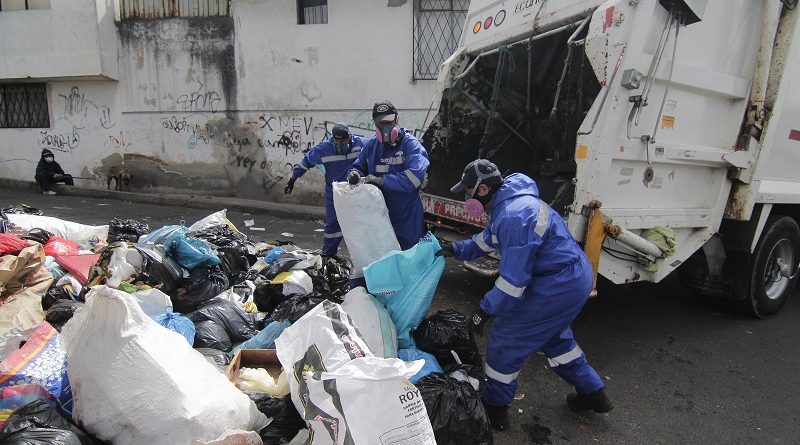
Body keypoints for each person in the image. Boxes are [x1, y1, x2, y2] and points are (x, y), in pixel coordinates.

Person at [438, 159, 613, 431]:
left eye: (468, 191)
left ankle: (495, 410)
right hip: (570, 277)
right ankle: (593, 393)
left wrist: (483, 312)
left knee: (506, 338)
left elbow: (513, 283)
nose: (466, 197)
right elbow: (488, 241)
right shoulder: (511, 203)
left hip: (558, 283)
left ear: (483, 189)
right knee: (555, 338)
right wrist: (455, 250)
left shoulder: (513, 215)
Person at [346, 100, 429, 250]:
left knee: (407, 256)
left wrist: (382, 181)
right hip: (379, 214)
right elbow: (358, 167)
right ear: (375, 124)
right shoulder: (371, 146)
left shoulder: (410, 145)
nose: (385, 127)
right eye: (380, 123)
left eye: (389, 122)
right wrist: (353, 174)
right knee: (381, 255)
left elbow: (415, 178)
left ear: (396, 119)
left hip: (406, 216)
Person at [285, 123, 367, 256]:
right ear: (333, 138)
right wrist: (292, 179)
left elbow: (375, 153)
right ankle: (328, 254)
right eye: (337, 140)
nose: (340, 144)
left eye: (343, 140)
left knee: (360, 223)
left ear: (350, 137)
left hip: (356, 191)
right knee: (333, 225)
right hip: (335, 192)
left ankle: (363, 256)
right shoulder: (324, 149)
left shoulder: (361, 145)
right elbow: (306, 162)